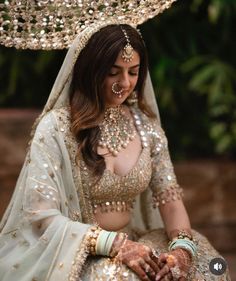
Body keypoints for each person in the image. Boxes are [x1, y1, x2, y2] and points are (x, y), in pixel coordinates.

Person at [0, 21, 230, 281]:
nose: (125, 83)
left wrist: (181, 252)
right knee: (118, 277)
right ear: (92, 71)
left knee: (209, 266)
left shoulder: (146, 128)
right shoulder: (57, 128)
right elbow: (39, 215)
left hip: (137, 243)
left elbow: (170, 200)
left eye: (133, 72)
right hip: (79, 250)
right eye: (113, 72)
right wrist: (115, 245)